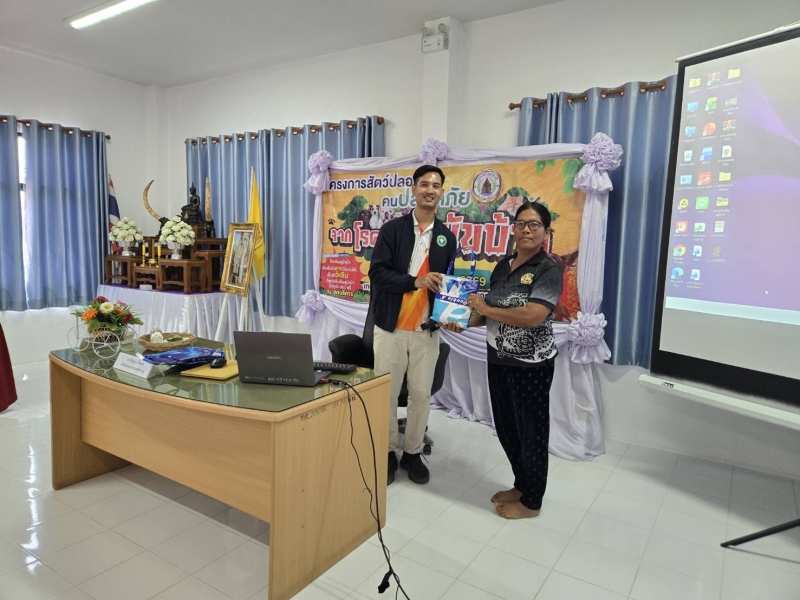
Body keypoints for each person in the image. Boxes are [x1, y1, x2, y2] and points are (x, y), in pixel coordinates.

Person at [444, 201, 562, 518]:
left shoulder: (548, 269)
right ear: (513, 228)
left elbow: (533, 316)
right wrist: (463, 321)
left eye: (534, 224)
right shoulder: (503, 265)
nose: (526, 230)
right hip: (498, 359)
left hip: (531, 365)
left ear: (546, 231)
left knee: (531, 433)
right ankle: (522, 485)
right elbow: (490, 315)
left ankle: (532, 503)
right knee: (507, 429)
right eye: (521, 223)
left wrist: (484, 308)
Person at [369, 165, 457, 485]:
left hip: (426, 330)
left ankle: (412, 452)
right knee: (387, 395)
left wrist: (451, 312)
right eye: (424, 184)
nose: (430, 190)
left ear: (441, 192)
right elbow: (377, 274)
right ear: (414, 189)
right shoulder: (393, 230)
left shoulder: (447, 237)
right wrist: (414, 281)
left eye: (436, 185)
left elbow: (447, 283)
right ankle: (388, 451)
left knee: (420, 394)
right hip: (390, 328)